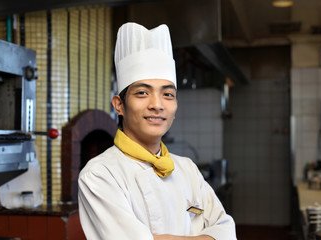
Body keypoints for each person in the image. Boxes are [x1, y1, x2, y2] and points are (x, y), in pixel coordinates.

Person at [78, 22, 237, 240]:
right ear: (119, 105)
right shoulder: (100, 174)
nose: (157, 105)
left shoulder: (187, 169)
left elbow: (226, 229)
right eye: (142, 93)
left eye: (168, 94)